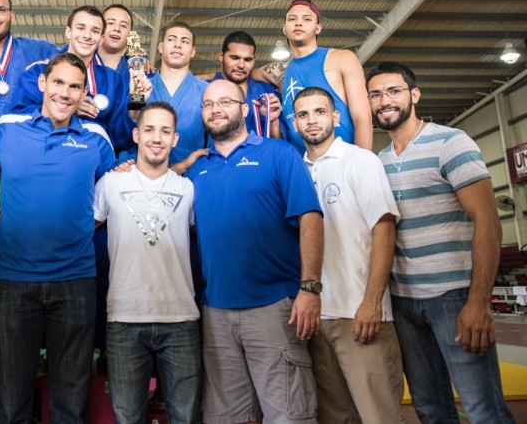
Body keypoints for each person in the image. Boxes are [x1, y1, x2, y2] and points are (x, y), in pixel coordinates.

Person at [366, 62, 515, 424]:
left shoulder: (450, 142)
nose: (384, 100)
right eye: (375, 94)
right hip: (403, 303)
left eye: (393, 91)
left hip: (453, 298)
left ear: (414, 95)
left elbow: (488, 221)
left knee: (484, 410)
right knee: (430, 410)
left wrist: (478, 301)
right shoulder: (378, 163)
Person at [186, 79, 323, 424]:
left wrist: (309, 288)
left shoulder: (278, 153)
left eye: (225, 101)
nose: (216, 109)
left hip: (274, 308)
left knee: (289, 415)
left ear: (244, 109)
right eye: (208, 104)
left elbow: (310, 218)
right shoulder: (197, 169)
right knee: (226, 417)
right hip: (215, 312)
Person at [0, 53, 116, 423]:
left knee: (71, 395)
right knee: (13, 395)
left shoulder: (97, 138)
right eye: (58, 82)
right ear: (43, 83)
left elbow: (115, 192)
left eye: (75, 86)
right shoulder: (5, 128)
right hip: (13, 280)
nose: (65, 92)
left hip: (76, 281)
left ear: (83, 94)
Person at [292, 86, 405, 424]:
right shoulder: (296, 171)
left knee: (378, 415)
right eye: (303, 114)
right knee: (335, 417)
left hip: (359, 314)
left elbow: (384, 229)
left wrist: (372, 302)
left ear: (335, 117)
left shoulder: (360, 161)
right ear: (294, 123)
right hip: (315, 317)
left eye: (320, 112)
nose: (312, 120)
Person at [94, 101, 200, 424]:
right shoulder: (110, 184)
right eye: (150, 130)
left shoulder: (189, 189)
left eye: (165, 131)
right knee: (127, 418)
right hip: (124, 318)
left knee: (185, 416)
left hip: (181, 319)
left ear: (175, 139)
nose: (157, 138)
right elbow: (79, 228)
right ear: (136, 135)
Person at [13, 5, 150, 154]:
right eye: (80, 28)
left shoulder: (113, 80)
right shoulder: (39, 71)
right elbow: (18, 119)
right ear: (68, 32)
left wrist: (135, 107)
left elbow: (120, 139)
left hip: (91, 165)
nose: (87, 35)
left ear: (101, 38)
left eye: (95, 31)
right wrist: (67, 108)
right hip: (40, 153)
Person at [260, 0, 372, 153]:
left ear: (318, 28)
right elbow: (239, 71)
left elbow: (363, 117)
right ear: (285, 28)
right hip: (304, 167)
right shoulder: (279, 72)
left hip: (344, 162)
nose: (298, 23)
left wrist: (363, 163)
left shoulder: (341, 59)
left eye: (307, 19)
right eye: (292, 19)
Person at [146, 21, 209, 173]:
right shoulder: (140, 87)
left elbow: (215, 144)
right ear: (161, 47)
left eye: (185, 41)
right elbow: (127, 135)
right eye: (171, 39)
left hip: (194, 174)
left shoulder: (207, 91)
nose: (178, 45)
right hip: (145, 174)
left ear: (193, 51)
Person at [205, 31, 288, 140]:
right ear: (221, 56)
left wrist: (273, 121)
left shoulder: (268, 93)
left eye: (247, 60)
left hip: (262, 156)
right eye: (234, 58)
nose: (241, 65)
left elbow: (281, 143)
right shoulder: (205, 90)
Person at [96, 4, 134, 86]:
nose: (117, 28)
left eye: (123, 25)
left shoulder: (139, 72)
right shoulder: (81, 62)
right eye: (110, 23)